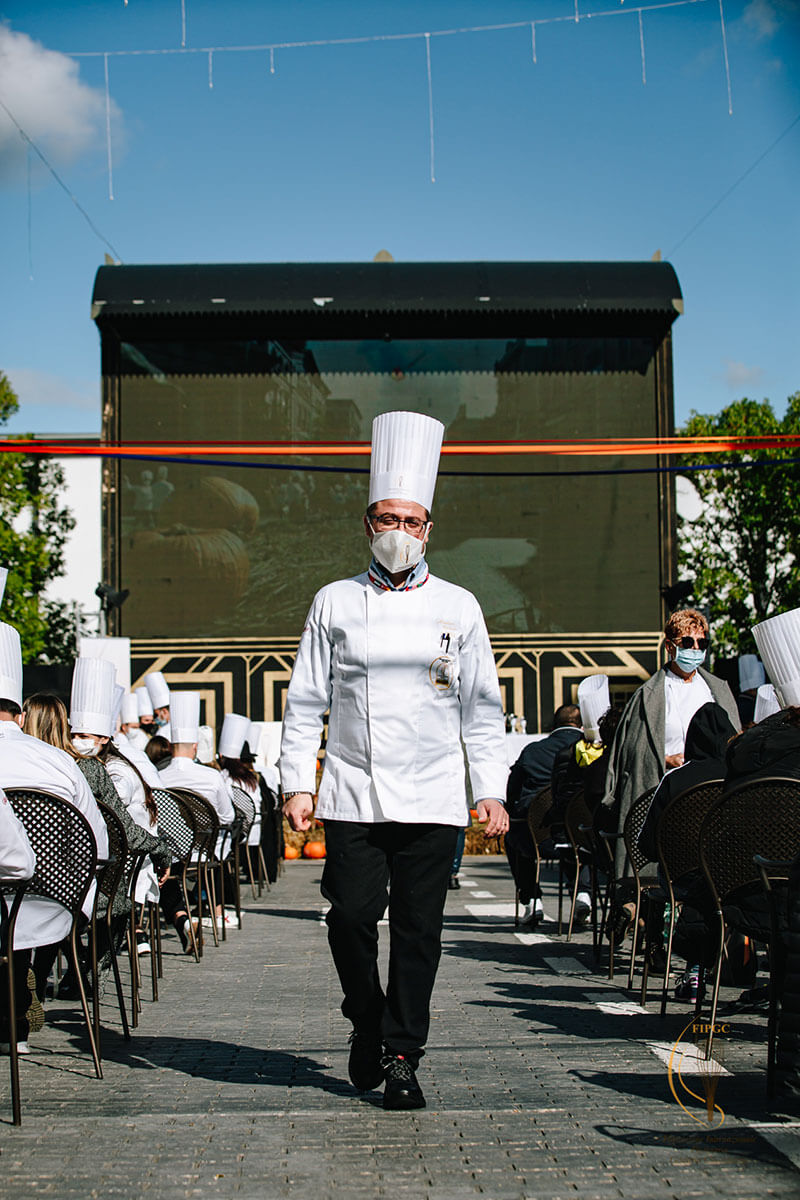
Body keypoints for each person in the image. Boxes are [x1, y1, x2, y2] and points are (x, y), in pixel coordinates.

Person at [280, 410, 509, 1111]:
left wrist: (490, 790)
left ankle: (403, 1054)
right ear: (367, 522)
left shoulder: (460, 607)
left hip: (435, 792)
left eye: (411, 520)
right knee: (349, 917)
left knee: (421, 932)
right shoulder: (335, 602)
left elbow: (482, 709)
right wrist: (297, 781)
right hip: (352, 789)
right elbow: (305, 700)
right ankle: (366, 1018)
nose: (399, 532)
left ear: (429, 528)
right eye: (387, 518)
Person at [0, 625, 109, 1051]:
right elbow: (97, 846)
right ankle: (16, 1019)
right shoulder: (61, 765)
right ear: (22, 717)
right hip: (49, 904)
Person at [601, 607, 740, 875]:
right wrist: (664, 758)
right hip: (668, 796)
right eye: (687, 642)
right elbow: (633, 752)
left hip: (713, 796)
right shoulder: (649, 696)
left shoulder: (717, 690)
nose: (695, 648)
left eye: (702, 643)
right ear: (670, 646)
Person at [504, 704, 582, 925]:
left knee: (514, 837)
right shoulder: (590, 750)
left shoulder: (533, 751)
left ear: (554, 725)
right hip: (581, 837)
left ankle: (531, 899)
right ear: (581, 725)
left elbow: (513, 790)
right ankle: (582, 893)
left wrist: (511, 811)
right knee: (576, 830)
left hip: (537, 836)